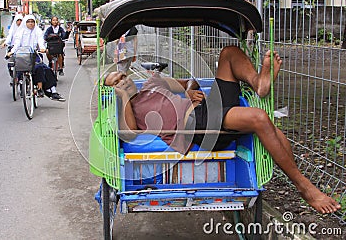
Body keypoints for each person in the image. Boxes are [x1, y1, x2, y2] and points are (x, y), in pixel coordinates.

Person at [104, 45, 341, 214]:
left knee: (228, 53)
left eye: (122, 76)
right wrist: (123, 97)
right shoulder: (129, 109)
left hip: (207, 108)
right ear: (112, 91)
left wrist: (187, 90)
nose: (122, 80)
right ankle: (305, 187)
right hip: (198, 129)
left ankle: (258, 83)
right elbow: (129, 135)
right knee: (259, 118)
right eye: (115, 82)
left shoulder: (152, 82)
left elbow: (190, 83)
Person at [7, 15, 65, 102]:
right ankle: (22, 83)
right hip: (22, 55)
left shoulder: (37, 31)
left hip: (34, 55)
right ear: (25, 23)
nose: (31, 24)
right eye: (28, 22)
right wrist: (12, 51)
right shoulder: (20, 32)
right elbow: (17, 43)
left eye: (32, 22)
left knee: (44, 68)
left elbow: (40, 41)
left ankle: (49, 90)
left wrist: (42, 48)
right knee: (18, 68)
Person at [2, 14, 23, 79]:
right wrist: (5, 43)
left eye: (21, 20)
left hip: (22, 49)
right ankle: (13, 78)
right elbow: (9, 37)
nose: (19, 22)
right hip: (13, 48)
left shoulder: (24, 29)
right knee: (10, 64)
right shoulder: (12, 29)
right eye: (18, 20)